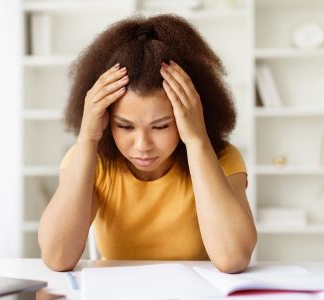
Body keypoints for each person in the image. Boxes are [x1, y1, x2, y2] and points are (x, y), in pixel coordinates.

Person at [38, 14, 257, 273]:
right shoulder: (91, 159)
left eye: (161, 126)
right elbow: (56, 257)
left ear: (190, 116)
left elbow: (233, 259)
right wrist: (86, 138)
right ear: (107, 121)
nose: (142, 145)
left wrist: (197, 141)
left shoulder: (221, 158)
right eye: (125, 126)